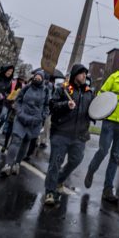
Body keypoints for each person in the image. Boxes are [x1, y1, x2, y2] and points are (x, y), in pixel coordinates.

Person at [84, 56, 119, 203]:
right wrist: (101, 111)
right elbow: (102, 94)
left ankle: (107, 190)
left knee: (115, 156)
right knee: (103, 151)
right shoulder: (114, 77)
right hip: (109, 122)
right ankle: (91, 170)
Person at [44, 64, 95, 206]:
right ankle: (50, 190)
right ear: (74, 75)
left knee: (76, 160)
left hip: (80, 135)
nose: (85, 76)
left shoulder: (89, 92)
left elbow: (93, 111)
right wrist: (66, 105)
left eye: (86, 74)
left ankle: (60, 179)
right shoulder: (63, 89)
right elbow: (52, 105)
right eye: (81, 74)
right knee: (55, 163)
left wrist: (96, 115)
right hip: (61, 132)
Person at [0, 69, 51, 177]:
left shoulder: (46, 91)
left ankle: (17, 163)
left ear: (42, 79)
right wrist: (19, 111)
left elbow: (47, 106)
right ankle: (8, 165)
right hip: (21, 118)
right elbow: (18, 100)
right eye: (36, 77)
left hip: (35, 121)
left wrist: (42, 116)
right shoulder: (26, 88)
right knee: (16, 140)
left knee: (26, 142)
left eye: (39, 78)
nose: (37, 79)